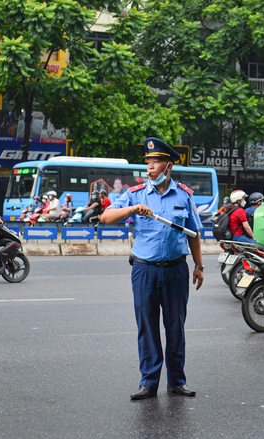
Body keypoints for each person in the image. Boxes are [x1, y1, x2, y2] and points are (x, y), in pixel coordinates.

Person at [100, 137, 204, 401]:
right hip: (145, 271)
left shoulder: (184, 195)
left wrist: (199, 266)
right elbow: (106, 217)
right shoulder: (134, 195)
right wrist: (133, 209)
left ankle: (177, 381)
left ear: (168, 166)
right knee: (147, 327)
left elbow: (193, 233)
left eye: (155, 162)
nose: (150, 168)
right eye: (148, 162)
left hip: (176, 271)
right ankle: (148, 382)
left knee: (175, 327)